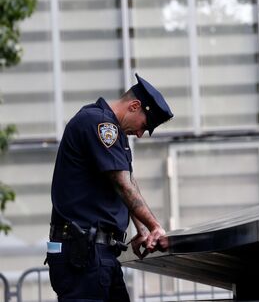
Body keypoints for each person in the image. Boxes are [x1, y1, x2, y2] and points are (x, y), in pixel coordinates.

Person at [46, 74, 173, 301]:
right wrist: (155, 226)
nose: (140, 134)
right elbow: (122, 185)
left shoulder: (114, 132)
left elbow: (128, 182)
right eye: (144, 125)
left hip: (98, 255)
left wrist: (143, 231)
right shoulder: (99, 124)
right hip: (84, 256)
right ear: (134, 106)